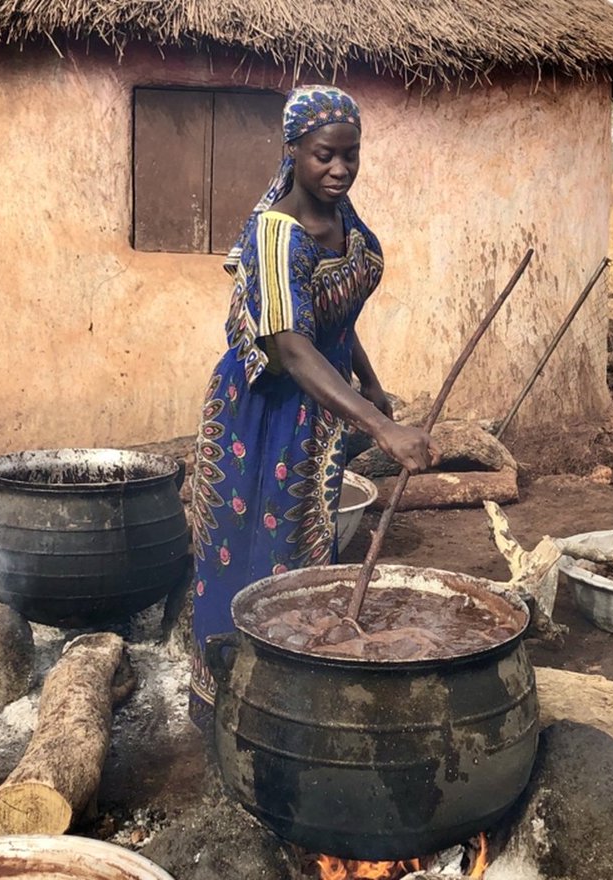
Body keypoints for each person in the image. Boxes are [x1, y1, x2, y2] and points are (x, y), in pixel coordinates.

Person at [187, 85, 439, 724]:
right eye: (325, 155)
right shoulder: (277, 234)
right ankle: (227, 700)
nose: (340, 168)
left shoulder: (344, 220)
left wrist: (371, 382)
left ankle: (290, 696)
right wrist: (381, 428)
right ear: (293, 150)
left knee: (306, 553)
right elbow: (292, 346)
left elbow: (333, 321)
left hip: (317, 408)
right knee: (245, 552)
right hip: (261, 412)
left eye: (351, 155)